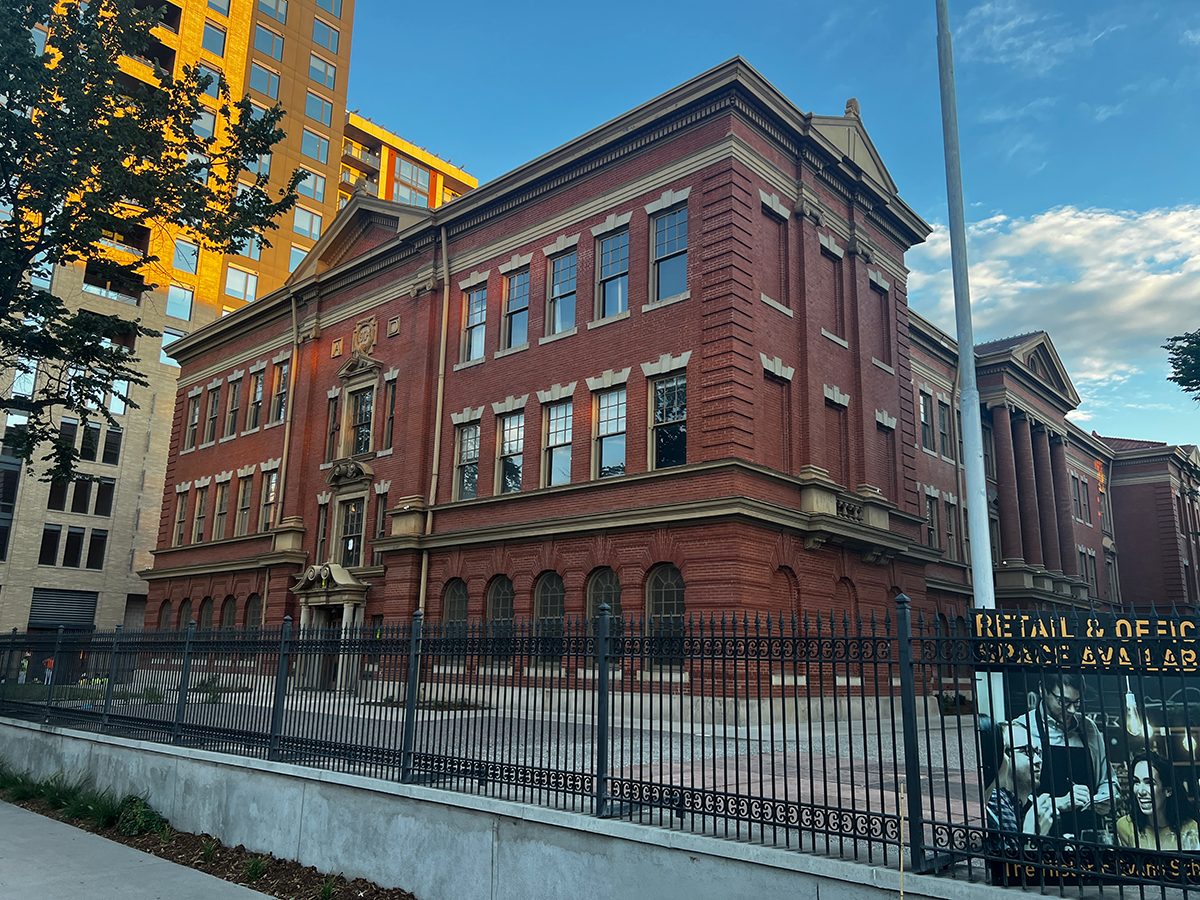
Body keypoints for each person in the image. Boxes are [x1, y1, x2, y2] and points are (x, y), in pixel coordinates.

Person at [1013, 672, 1114, 840]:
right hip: (1043, 837)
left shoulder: (1089, 728)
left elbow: (1108, 780)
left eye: (1077, 702)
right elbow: (1013, 794)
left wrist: (1104, 798)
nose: (1072, 710)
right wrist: (1059, 802)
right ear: (1042, 689)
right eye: (1064, 702)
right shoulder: (1021, 728)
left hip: (1089, 836)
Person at [1116, 753, 1200, 852]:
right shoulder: (1125, 827)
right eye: (1136, 782)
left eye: (1149, 783)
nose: (1141, 791)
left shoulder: (1191, 828)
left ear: (1168, 791)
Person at [987, 719, 1043, 832]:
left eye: (1037, 752)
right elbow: (1014, 844)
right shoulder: (995, 800)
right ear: (1003, 756)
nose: (1038, 760)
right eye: (1028, 751)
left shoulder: (1028, 805)